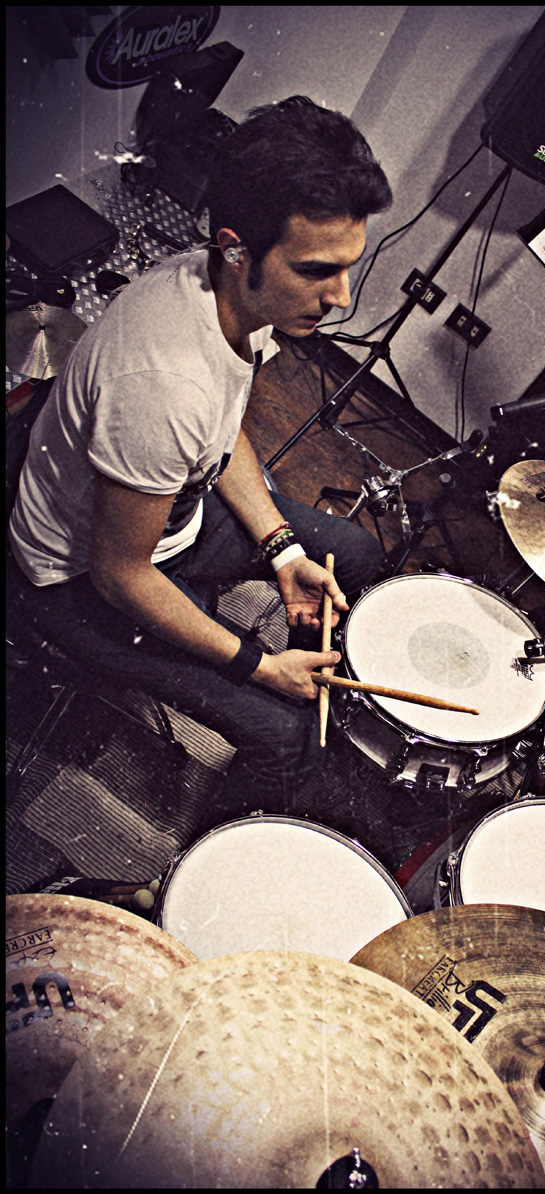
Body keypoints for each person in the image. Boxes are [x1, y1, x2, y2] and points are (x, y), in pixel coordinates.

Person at [7, 96, 393, 826]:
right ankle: (200, 855)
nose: (340, 298)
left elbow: (220, 432)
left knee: (352, 554)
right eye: (316, 270)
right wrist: (257, 666)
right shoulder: (162, 386)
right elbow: (122, 576)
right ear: (236, 248)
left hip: (168, 523)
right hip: (78, 581)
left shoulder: (234, 294)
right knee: (286, 741)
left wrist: (282, 552)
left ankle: (304, 667)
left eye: (348, 268)